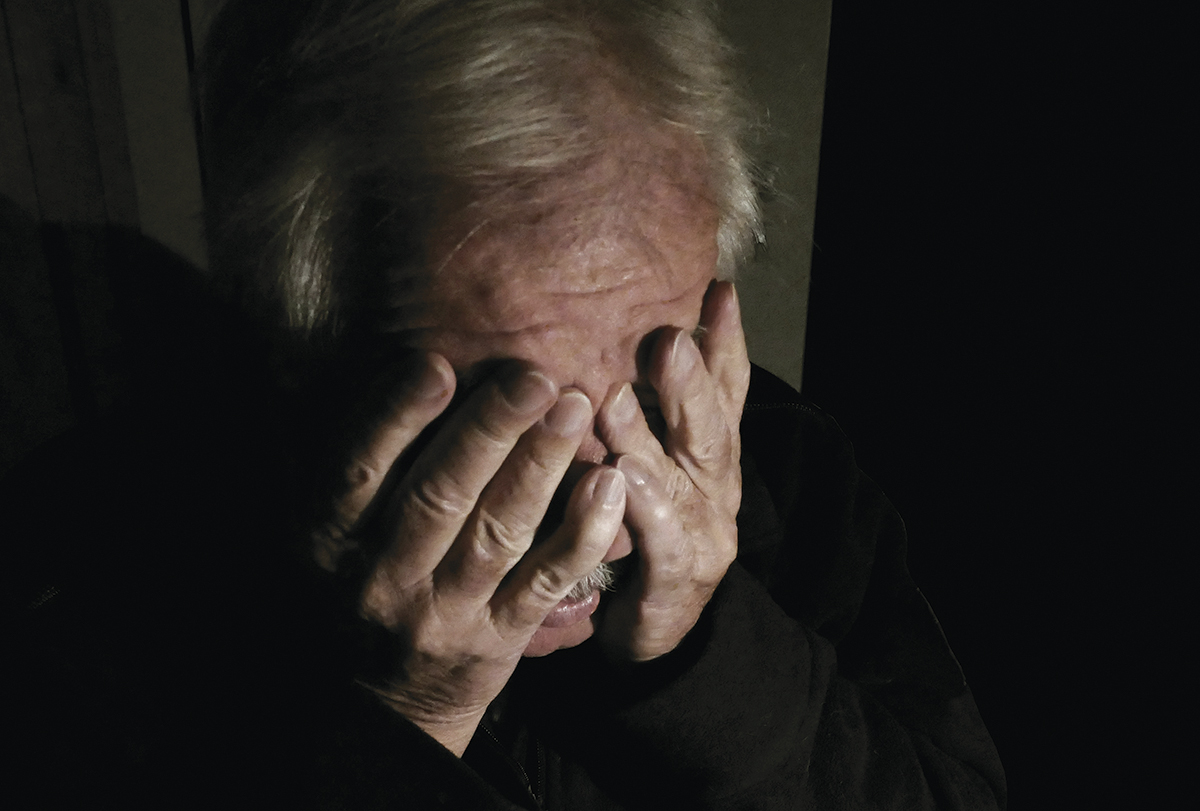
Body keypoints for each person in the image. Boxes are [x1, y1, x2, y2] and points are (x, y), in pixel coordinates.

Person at [5, 1, 1005, 808]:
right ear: (301, 351)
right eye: (506, 417)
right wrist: (396, 727)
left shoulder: (789, 469)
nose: (596, 521)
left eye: (643, 395)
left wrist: (705, 654)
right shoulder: (82, 580)